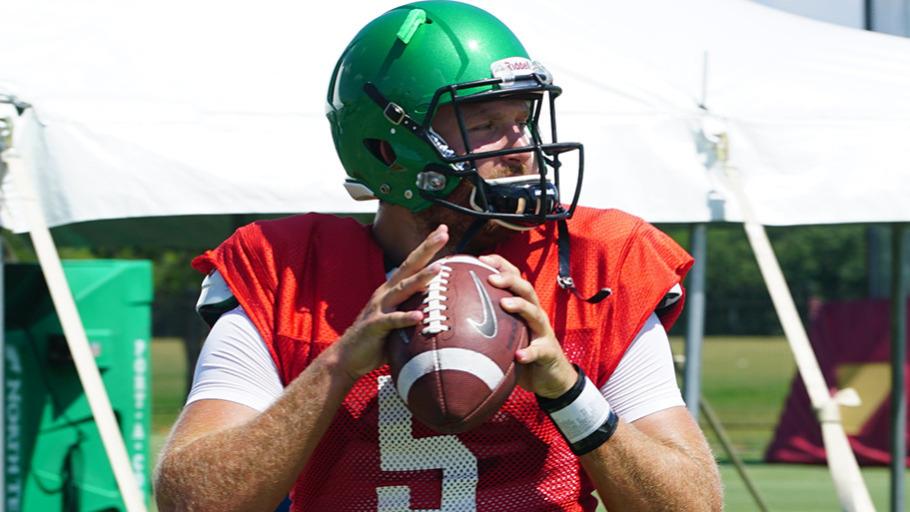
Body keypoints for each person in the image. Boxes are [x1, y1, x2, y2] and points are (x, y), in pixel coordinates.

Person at [154, 2, 722, 510]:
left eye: (523, 120)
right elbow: (192, 503)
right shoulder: (287, 270)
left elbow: (693, 505)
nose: (522, 149)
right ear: (387, 151)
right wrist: (337, 366)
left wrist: (568, 391)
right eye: (487, 126)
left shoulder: (600, 261)